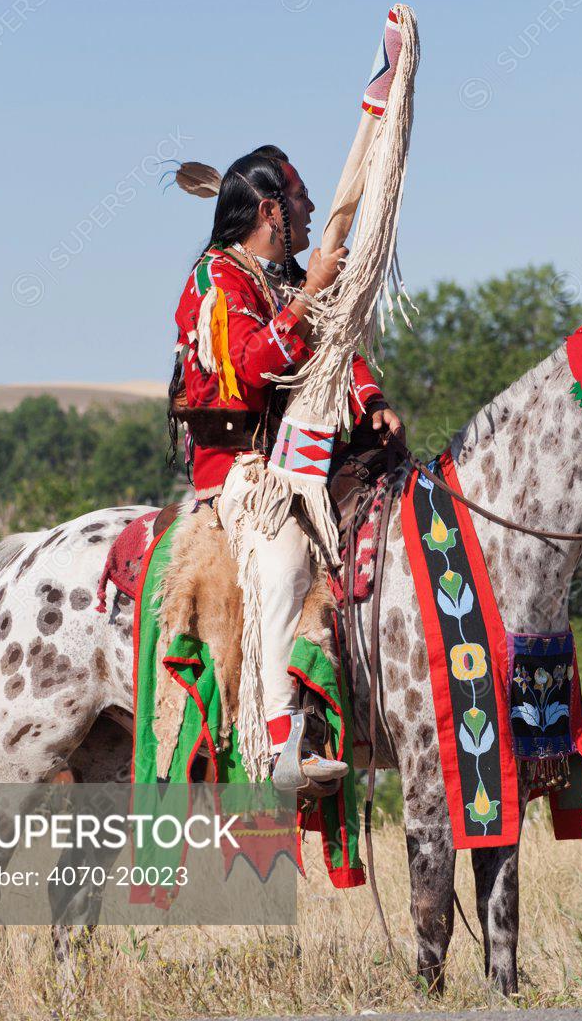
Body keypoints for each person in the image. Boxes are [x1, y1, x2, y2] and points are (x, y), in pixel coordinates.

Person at [170, 145, 402, 787]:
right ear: (271, 210)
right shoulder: (219, 278)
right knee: (284, 562)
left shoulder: (289, 280)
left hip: (309, 460)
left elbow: (334, 352)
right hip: (242, 472)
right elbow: (248, 366)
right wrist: (313, 294)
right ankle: (279, 744)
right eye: (300, 200)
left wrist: (371, 401)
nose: (308, 210)